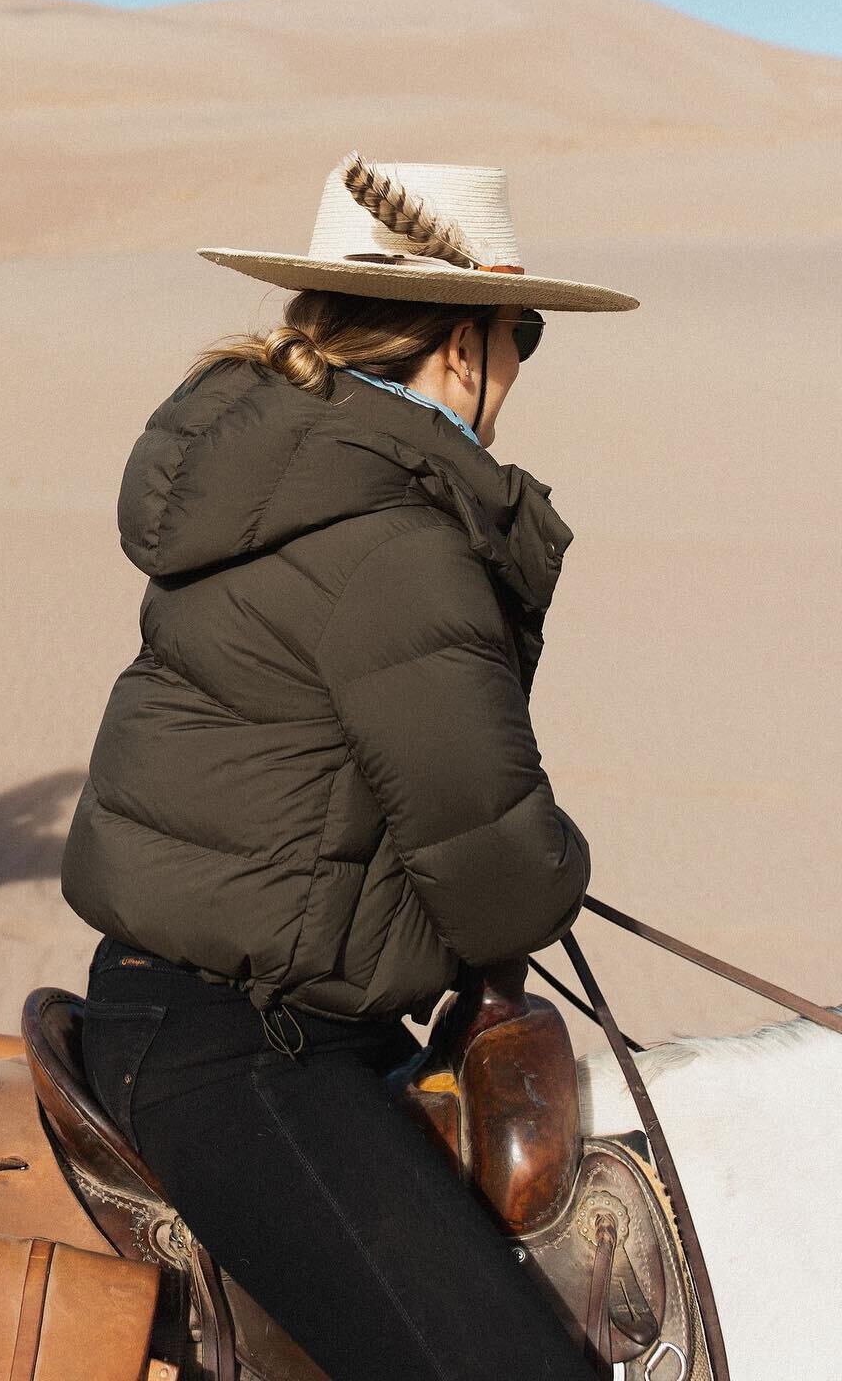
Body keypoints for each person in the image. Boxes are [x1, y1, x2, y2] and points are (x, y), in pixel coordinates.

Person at [61, 158, 638, 1380]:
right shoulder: (395, 543)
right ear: (463, 344)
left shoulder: (283, 477)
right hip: (252, 1053)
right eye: (523, 331)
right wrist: (550, 865)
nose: (524, 365)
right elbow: (503, 878)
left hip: (188, 1008)